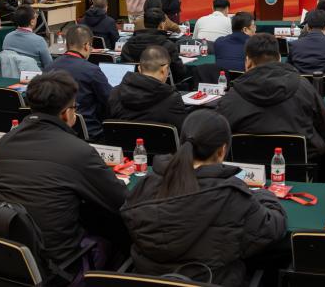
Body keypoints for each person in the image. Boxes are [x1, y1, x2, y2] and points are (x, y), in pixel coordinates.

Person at [120, 109, 286, 285]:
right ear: (222, 151)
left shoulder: (145, 185)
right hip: (213, 281)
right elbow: (273, 227)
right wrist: (265, 195)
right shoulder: (232, 195)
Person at [0, 71, 127, 272]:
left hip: (7, 253)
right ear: (66, 113)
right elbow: (120, 200)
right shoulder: (78, 151)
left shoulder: (4, 142)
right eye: (74, 107)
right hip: (58, 266)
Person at [216, 34, 325, 159]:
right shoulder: (303, 86)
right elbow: (323, 122)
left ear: (248, 61)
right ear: (279, 58)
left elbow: (220, 132)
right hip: (301, 163)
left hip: (246, 167)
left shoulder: (231, 97)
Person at [45, 25, 112, 139]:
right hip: (89, 132)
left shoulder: (48, 68)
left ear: (66, 45)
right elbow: (110, 100)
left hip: (55, 129)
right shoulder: (92, 70)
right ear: (86, 45)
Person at [107, 45, 187, 129]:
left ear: (139, 69)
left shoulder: (114, 93)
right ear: (164, 69)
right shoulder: (172, 100)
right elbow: (181, 132)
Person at [122, 7, 188, 82]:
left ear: (144, 23)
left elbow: (123, 70)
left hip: (133, 85)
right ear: (162, 24)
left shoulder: (127, 46)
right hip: (162, 86)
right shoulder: (168, 46)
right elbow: (179, 73)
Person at [1, 5, 52, 69]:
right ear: (32, 22)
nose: (37, 18)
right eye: (36, 17)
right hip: (35, 74)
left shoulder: (7, 37)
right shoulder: (39, 41)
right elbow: (49, 65)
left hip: (12, 73)